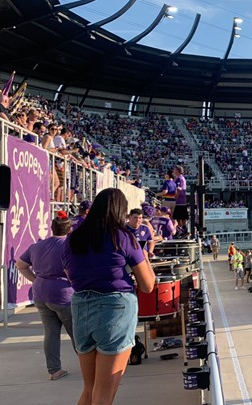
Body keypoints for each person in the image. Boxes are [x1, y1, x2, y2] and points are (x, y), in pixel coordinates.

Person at [63, 188, 156, 405]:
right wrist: (144, 257)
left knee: (89, 390)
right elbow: (147, 285)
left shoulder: (72, 239)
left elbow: (70, 277)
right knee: (105, 394)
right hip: (115, 309)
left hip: (81, 308)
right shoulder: (123, 238)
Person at [15, 211, 75, 381]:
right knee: (77, 333)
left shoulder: (37, 246)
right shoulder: (69, 246)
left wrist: (35, 280)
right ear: (69, 229)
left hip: (41, 293)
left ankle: (54, 370)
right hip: (64, 294)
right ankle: (89, 367)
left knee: (50, 333)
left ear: (52, 228)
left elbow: (21, 265)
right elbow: (70, 272)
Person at [172, 165, 189, 233]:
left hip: (179, 201)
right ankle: (183, 230)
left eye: (175, 169)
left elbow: (179, 189)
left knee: (179, 217)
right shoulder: (180, 178)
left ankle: (181, 231)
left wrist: (175, 198)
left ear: (178, 171)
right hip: (181, 201)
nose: (173, 171)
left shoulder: (179, 178)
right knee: (181, 217)